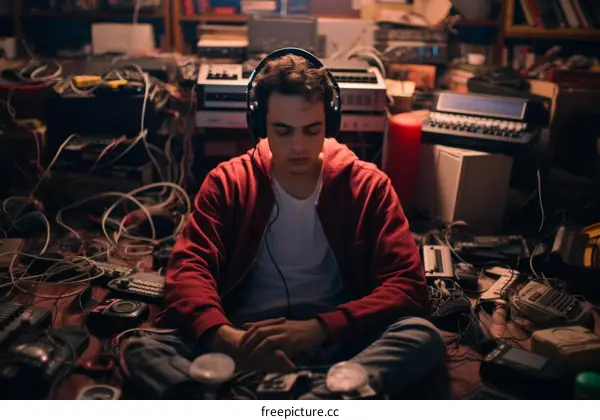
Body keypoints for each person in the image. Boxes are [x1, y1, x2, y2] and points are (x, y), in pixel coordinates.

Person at [124, 49, 445, 399]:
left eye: (312, 130)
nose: (297, 146)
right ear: (259, 125)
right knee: (140, 347)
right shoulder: (227, 182)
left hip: (338, 345)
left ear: (330, 124)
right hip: (242, 343)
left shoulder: (368, 186)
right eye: (283, 130)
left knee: (420, 335)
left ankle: (271, 397)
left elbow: (407, 286)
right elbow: (188, 270)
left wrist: (320, 328)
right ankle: (331, 397)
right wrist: (224, 336)